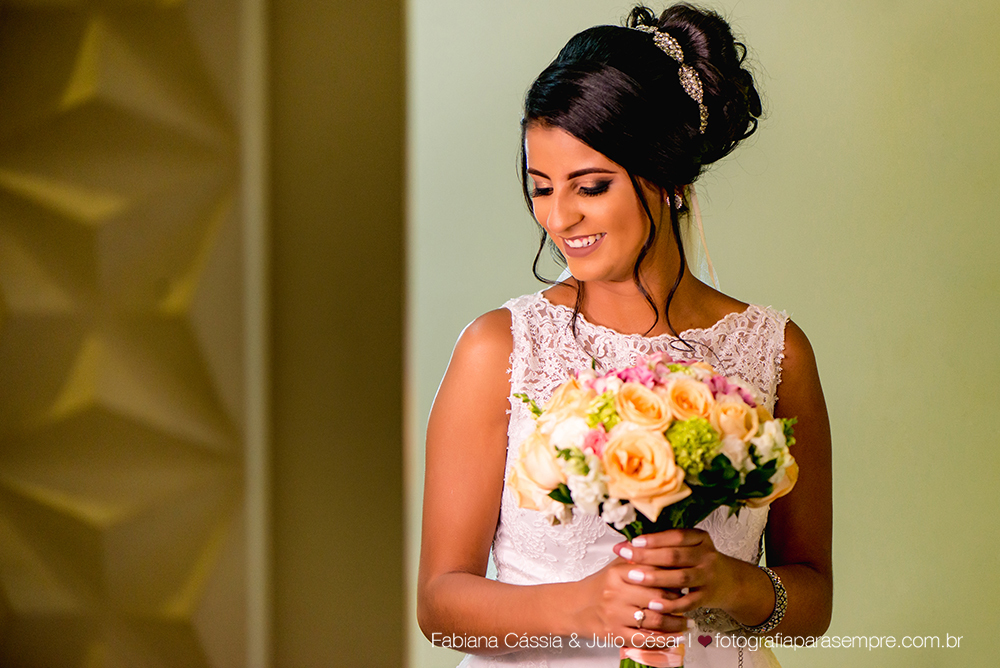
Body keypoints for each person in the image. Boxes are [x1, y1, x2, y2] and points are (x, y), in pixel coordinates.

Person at [417, 4, 832, 667]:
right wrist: (582, 605)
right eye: (541, 188)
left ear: (666, 177)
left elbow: (810, 603)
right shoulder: (499, 348)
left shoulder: (776, 352)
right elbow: (440, 603)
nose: (559, 217)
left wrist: (733, 584)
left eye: (591, 186)